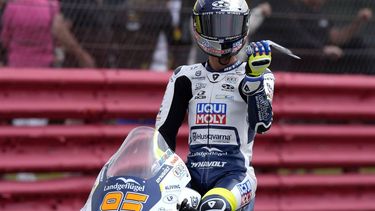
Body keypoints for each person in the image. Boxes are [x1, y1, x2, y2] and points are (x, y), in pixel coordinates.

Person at [155, 0, 275, 210]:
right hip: (191, 174)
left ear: (244, 26)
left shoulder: (257, 73)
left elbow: (262, 125)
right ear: (199, 26)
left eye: (229, 25)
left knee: (213, 206)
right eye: (215, 25)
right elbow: (162, 136)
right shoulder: (184, 77)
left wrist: (255, 83)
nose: (222, 35)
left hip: (236, 176)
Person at [1, 0, 95, 68]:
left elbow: (5, 39)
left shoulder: (12, 7)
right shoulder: (51, 5)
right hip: (44, 63)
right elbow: (57, 33)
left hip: (17, 63)